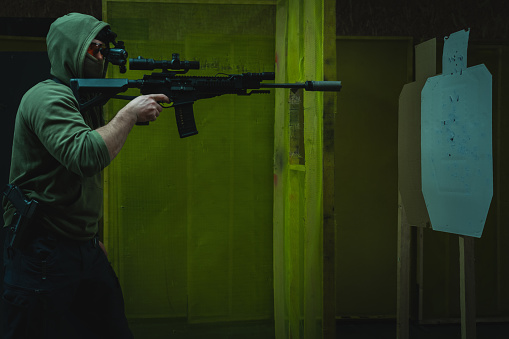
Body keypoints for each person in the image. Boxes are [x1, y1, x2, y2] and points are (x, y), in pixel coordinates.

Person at [1, 13, 168, 338]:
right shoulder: (47, 97)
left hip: (80, 249)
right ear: (70, 51)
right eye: (94, 50)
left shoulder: (80, 101)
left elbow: (79, 184)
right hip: (43, 253)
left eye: (104, 51)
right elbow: (86, 156)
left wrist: (88, 239)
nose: (102, 58)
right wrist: (129, 113)